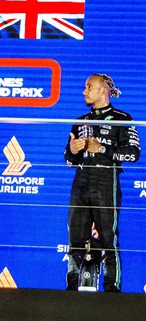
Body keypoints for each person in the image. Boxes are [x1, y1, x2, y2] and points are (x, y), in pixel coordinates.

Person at [64, 73, 140, 292]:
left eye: (89, 87)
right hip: (81, 179)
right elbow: (69, 161)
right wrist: (73, 150)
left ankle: (112, 292)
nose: (84, 91)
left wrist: (103, 149)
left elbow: (133, 154)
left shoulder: (122, 118)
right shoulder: (80, 121)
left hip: (106, 179)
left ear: (103, 90)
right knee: (76, 237)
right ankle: (71, 289)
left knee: (108, 238)